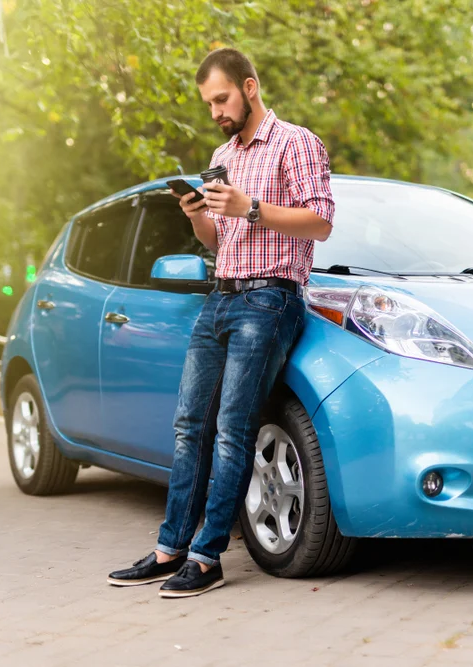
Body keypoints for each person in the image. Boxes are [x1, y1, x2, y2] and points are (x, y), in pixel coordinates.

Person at [107, 48, 334, 598]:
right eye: (208, 102)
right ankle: (170, 549)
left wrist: (249, 206)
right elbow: (220, 240)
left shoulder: (297, 143)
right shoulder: (221, 154)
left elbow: (320, 222)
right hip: (221, 296)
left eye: (221, 98)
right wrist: (199, 219)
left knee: (234, 430)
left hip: (270, 299)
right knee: (190, 425)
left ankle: (207, 558)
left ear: (250, 87)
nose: (214, 111)